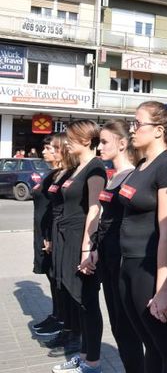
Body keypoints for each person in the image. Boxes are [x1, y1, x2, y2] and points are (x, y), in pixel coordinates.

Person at [119, 101, 167, 373]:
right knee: (151, 345)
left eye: (137, 124)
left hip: (150, 269)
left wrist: (164, 289)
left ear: (158, 130)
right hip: (129, 264)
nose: (131, 129)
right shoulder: (142, 164)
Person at [51, 120, 106, 373]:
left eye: (72, 137)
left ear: (86, 140)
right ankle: (84, 355)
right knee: (77, 301)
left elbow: (94, 210)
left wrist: (87, 249)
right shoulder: (77, 167)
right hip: (67, 239)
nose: (67, 141)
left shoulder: (95, 169)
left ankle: (92, 360)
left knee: (87, 302)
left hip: (79, 242)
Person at [97, 120, 144, 372]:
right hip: (107, 257)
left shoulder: (134, 177)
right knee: (116, 324)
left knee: (127, 327)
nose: (100, 147)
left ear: (123, 144)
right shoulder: (112, 176)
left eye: (105, 142)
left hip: (123, 259)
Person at [39, 133, 81, 358]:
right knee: (60, 284)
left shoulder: (76, 173)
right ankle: (67, 329)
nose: (47, 152)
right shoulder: (59, 174)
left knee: (71, 289)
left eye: (52, 148)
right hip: (55, 234)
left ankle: (77, 335)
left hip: (68, 237)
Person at [31, 137, 61, 337]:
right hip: (43, 233)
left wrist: (50, 236)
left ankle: (61, 319)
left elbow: (56, 210)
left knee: (55, 277)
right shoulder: (52, 174)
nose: (44, 151)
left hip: (50, 236)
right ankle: (56, 314)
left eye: (48, 147)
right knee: (51, 277)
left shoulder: (60, 176)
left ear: (59, 151)